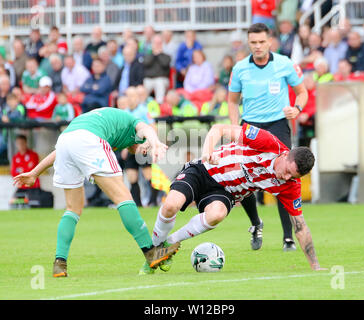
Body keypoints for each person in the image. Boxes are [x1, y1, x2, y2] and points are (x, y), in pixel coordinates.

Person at [13, 107, 180, 277]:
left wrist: (35, 172)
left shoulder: (109, 122)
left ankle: (60, 263)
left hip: (65, 141)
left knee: (73, 209)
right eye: (143, 148)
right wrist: (156, 143)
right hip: (89, 140)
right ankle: (150, 252)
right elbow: (147, 129)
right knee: (123, 197)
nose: (143, 151)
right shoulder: (132, 121)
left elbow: (62, 149)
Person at [142, 122, 325, 274]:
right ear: (285, 155)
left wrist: (315, 266)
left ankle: (170, 244)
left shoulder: (290, 186)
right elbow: (218, 129)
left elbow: (300, 226)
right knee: (170, 205)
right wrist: (208, 151)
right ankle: (155, 249)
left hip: (226, 192)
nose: (286, 178)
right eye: (287, 171)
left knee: (217, 214)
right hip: (203, 170)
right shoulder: (268, 142)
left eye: (292, 177)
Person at [228, 23, 308, 252]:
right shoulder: (240, 68)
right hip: (250, 126)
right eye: (253, 42)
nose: (258, 46)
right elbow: (232, 101)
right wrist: (235, 128)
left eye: (262, 42)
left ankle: (287, 238)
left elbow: (302, 92)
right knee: (241, 179)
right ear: (248, 43)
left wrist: (297, 109)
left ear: (270, 41)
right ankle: (255, 223)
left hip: (277, 125)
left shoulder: (285, 64)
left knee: (285, 179)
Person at [142, 34, 171, 104]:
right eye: (155, 43)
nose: (157, 45)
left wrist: (159, 54)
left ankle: (159, 105)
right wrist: (154, 54)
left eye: (159, 43)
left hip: (162, 79)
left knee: (159, 82)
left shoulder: (167, 56)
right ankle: (142, 105)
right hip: (149, 79)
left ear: (162, 44)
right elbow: (146, 63)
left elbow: (165, 64)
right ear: (152, 44)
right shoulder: (148, 55)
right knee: (145, 84)